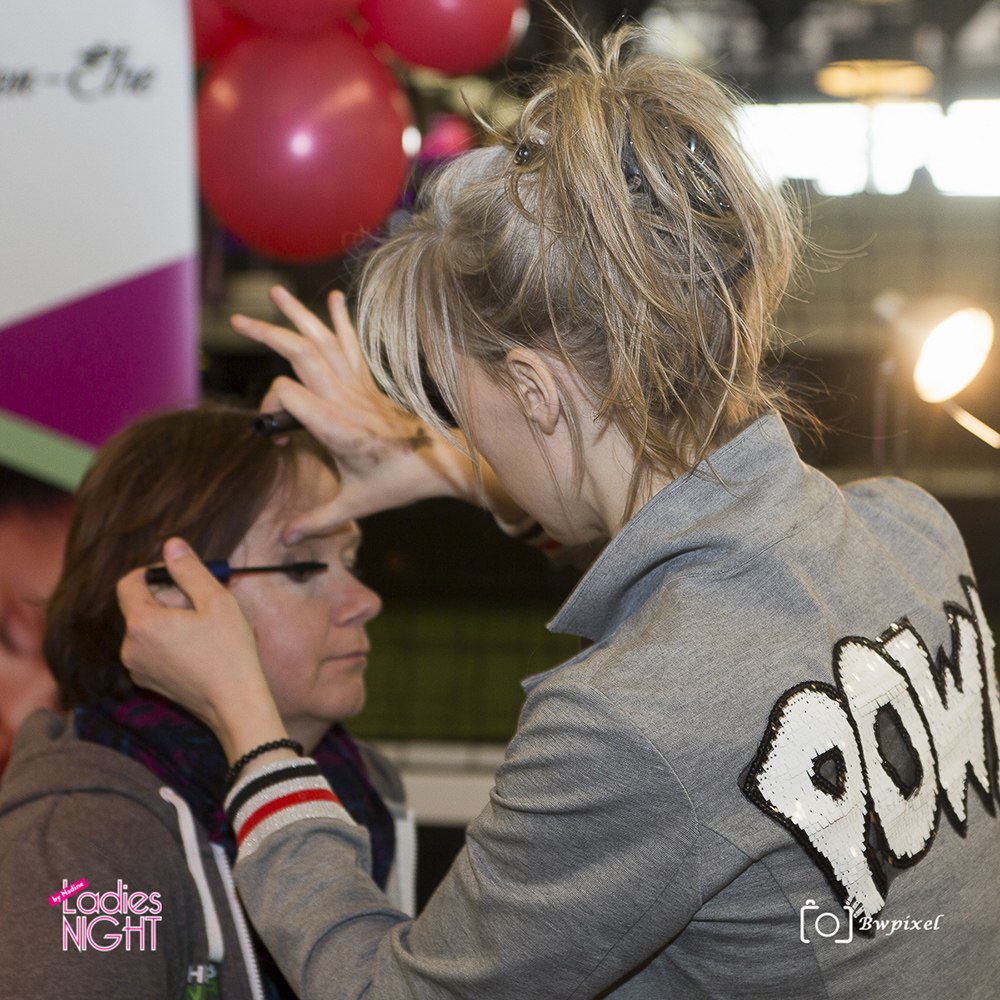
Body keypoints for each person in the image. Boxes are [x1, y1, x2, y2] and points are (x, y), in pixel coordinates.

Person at [116, 24, 1000, 1000]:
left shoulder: (621, 725)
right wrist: (447, 473)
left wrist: (248, 725)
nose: (467, 438)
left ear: (535, 390)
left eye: (459, 405)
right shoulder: (911, 531)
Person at [0, 405, 412, 1000]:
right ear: (167, 603)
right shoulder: (84, 849)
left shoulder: (366, 789)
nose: (364, 600)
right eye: (303, 568)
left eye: (350, 561)